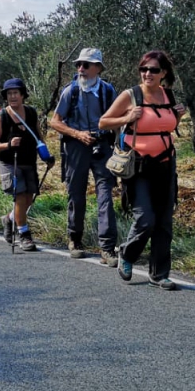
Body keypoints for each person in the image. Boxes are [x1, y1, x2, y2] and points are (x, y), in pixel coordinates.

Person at [98, 50, 185, 291]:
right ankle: (127, 254)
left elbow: (165, 125)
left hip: (166, 164)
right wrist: (127, 116)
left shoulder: (168, 94)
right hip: (137, 165)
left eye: (154, 70)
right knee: (145, 219)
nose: (148, 73)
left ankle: (159, 274)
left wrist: (177, 117)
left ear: (163, 73)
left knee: (164, 221)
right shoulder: (131, 95)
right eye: (144, 69)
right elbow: (103, 122)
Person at [50, 47, 120, 264]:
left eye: (86, 65)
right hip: (76, 148)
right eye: (79, 64)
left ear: (98, 68)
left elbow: (118, 119)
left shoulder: (108, 91)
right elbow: (54, 121)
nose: (81, 68)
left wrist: (120, 147)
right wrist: (78, 134)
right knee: (76, 194)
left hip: (103, 146)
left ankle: (107, 248)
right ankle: (75, 239)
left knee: (105, 195)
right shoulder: (69, 91)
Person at [0, 78, 44, 251]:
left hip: (28, 161)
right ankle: (24, 234)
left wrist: (47, 155)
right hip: (9, 162)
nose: (12, 96)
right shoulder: (2, 117)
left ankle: (9, 219)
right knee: (20, 196)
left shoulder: (31, 113)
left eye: (15, 93)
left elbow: (39, 137)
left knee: (28, 198)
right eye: (9, 93)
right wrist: (8, 144)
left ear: (22, 95)